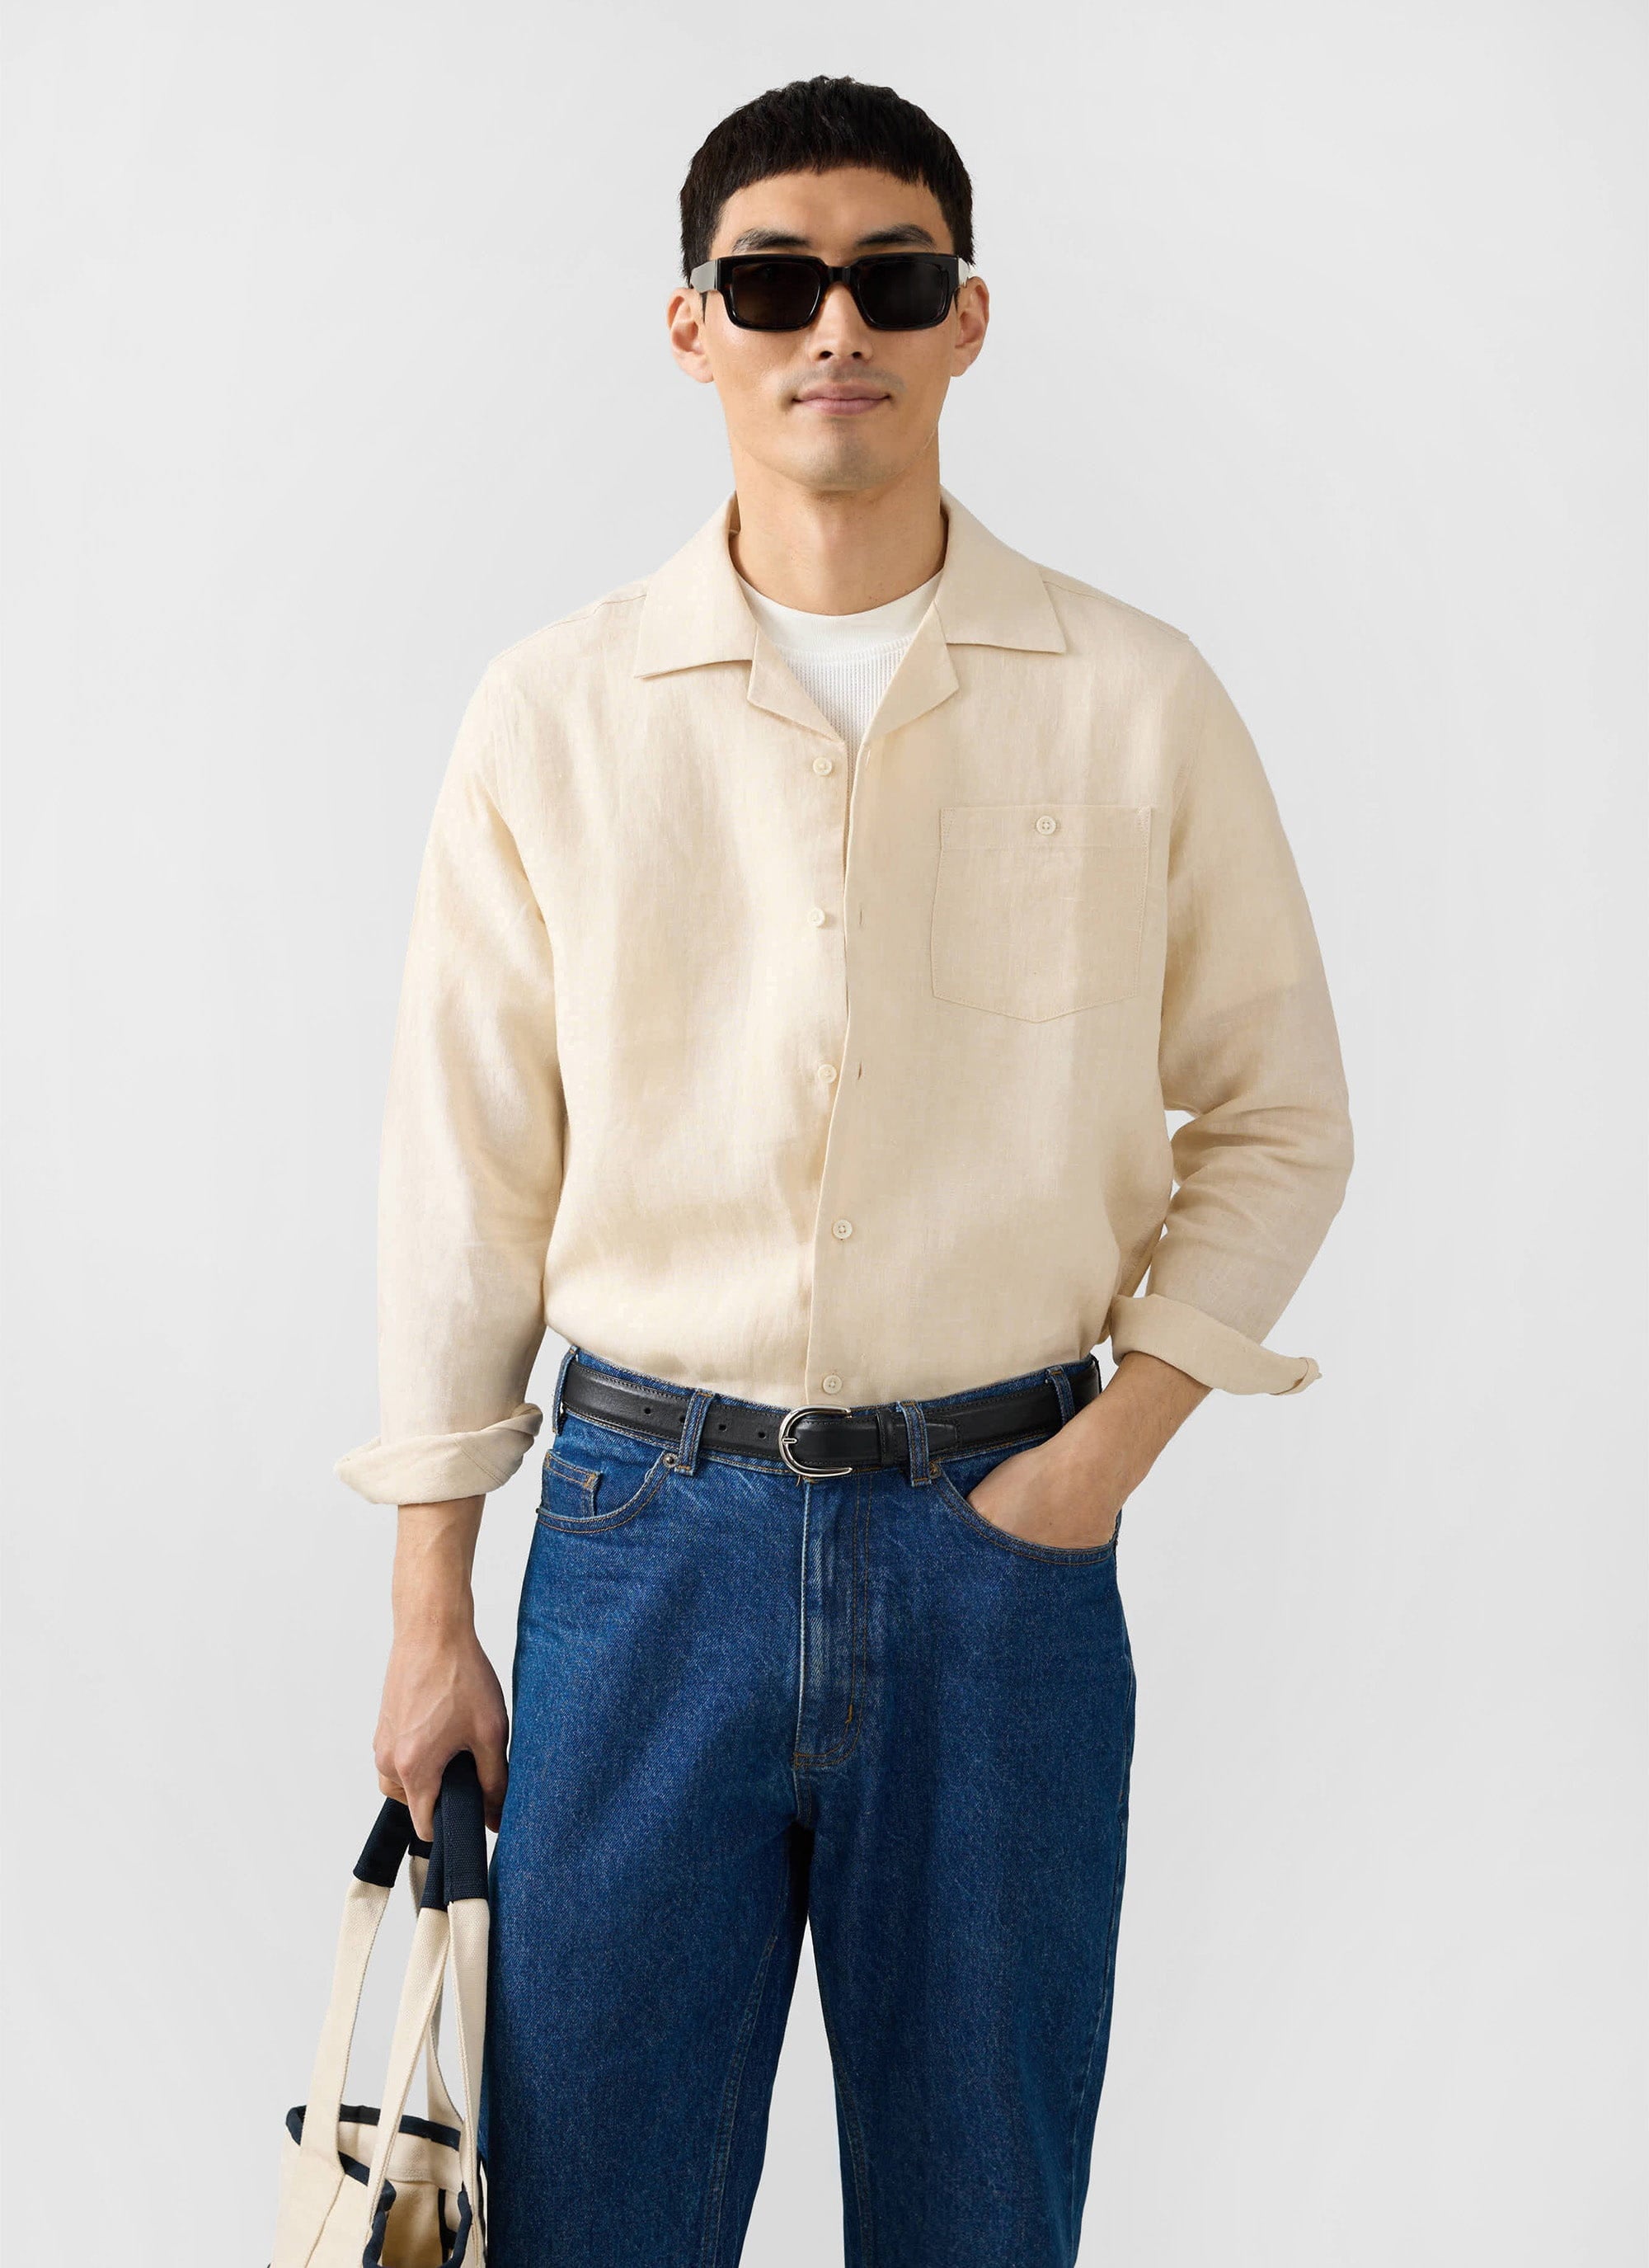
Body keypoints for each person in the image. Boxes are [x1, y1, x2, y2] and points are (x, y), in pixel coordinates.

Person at [335, 72, 1354, 2268]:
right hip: (637, 1548)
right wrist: (433, 1606)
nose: (835, 329)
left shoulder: (1129, 698)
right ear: (690, 325)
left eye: (889, 279)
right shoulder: (558, 712)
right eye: (774, 280)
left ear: (967, 318)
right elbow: (465, 1166)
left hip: (998, 1549)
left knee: (983, 2218)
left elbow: (1281, 1112)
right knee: (594, 2215)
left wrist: (1106, 1460)